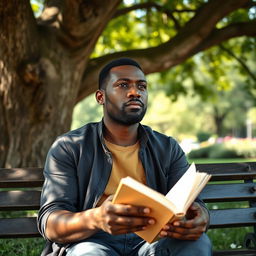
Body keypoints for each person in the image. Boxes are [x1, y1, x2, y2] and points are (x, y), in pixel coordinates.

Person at [38, 58, 212, 256]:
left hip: (152, 241)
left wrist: (201, 216)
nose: (135, 92)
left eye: (142, 86)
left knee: (197, 244)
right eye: (123, 85)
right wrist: (97, 218)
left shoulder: (167, 147)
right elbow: (51, 223)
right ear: (100, 97)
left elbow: (194, 205)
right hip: (92, 240)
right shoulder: (69, 147)